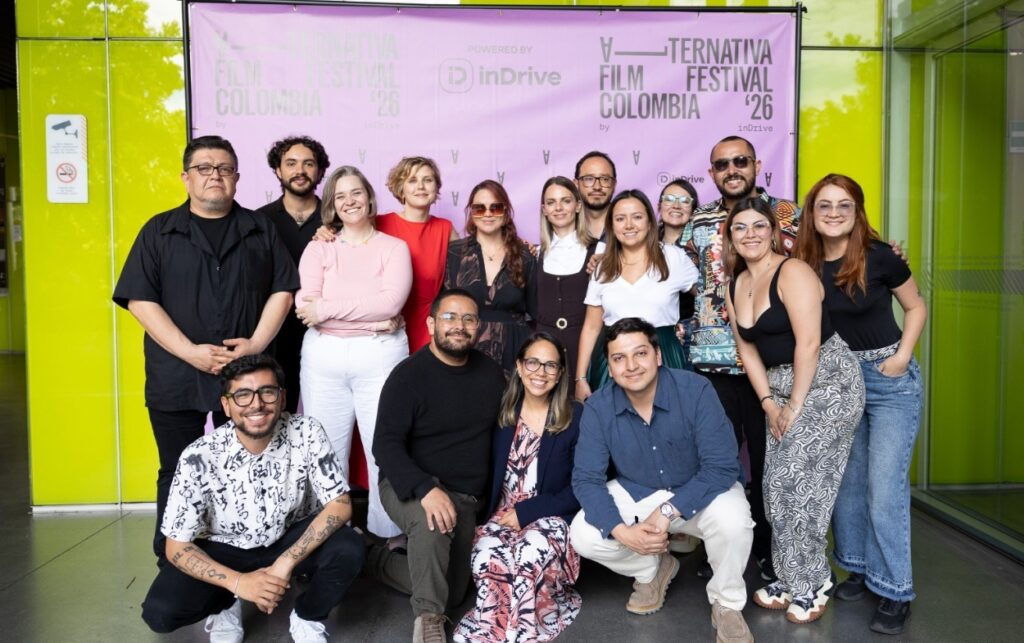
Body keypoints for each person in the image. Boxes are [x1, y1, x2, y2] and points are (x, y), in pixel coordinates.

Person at [113, 135, 298, 561]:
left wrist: (254, 346)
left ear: (236, 178)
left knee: (251, 468)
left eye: (224, 168)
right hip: (176, 375)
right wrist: (190, 353)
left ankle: (249, 555)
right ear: (186, 177)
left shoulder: (260, 228)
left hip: (247, 379)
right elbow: (140, 301)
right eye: (204, 168)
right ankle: (175, 559)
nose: (215, 175)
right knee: (177, 470)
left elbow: (283, 291)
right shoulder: (158, 231)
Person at [140, 354, 365, 643]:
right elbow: (176, 547)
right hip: (223, 547)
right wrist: (240, 584)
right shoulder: (199, 455)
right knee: (160, 614)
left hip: (287, 537)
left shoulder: (307, 432)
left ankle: (308, 615)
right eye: (243, 395)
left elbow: (340, 505)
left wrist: (284, 564)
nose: (256, 404)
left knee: (350, 547)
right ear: (226, 404)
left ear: (282, 398)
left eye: (267, 392)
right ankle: (225, 603)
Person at [795, 174, 927, 635]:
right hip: (837, 382)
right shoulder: (802, 262)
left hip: (888, 380)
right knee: (847, 485)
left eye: (844, 205)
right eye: (824, 205)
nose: (833, 213)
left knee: (883, 489)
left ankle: (895, 589)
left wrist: (903, 356)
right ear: (811, 213)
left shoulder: (880, 256)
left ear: (857, 211)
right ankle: (858, 569)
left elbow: (916, 307)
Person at [723, 197, 864, 624]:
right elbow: (746, 349)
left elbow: (809, 343)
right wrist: (768, 403)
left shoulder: (793, 271)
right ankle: (789, 576)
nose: (750, 235)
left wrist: (796, 404)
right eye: (739, 228)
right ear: (730, 237)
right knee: (775, 486)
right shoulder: (735, 283)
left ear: (773, 230)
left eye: (758, 226)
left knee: (801, 483)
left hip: (827, 381)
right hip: (780, 387)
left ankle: (814, 582)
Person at [570, 318, 755, 643]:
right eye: (618, 358)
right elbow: (586, 479)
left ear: (657, 355)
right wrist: (622, 532)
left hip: (699, 491)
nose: (630, 366)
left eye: (639, 353)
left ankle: (726, 604)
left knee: (734, 521)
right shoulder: (599, 406)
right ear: (610, 368)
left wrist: (670, 509)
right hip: (638, 490)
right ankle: (652, 569)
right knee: (583, 534)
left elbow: (722, 466)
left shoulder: (695, 390)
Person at [684, 135, 799, 580]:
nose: (732, 169)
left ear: (756, 164)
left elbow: (826, 253)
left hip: (771, 363)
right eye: (721, 164)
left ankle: (772, 552)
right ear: (711, 172)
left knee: (773, 463)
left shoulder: (787, 214)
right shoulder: (698, 221)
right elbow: (671, 274)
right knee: (716, 461)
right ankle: (719, 551)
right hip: (711, 365)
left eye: (740, 161)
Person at [369, 289, 507, 643]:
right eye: (449, 317)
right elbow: (384, 445)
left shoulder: (491, 374)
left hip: (464, 497)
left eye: (468, 319)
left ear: (478, 327)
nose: (458, 326)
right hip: (411, 484)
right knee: (432, 526)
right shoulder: (407, 376)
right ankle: (428, 621)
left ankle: (375, 562)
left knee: (456, 592)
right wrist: (425, 488)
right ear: (431, 323)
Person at [295, 165, 412, 539]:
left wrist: (329, 310)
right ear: (332, 204)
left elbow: (390, 303)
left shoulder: (394, 248)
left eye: (356, 193)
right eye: (340, 195)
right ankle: (333, 537)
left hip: (380, 355)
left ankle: (388, 536)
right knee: (326, 450)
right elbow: (305, 302)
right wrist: (367, 315)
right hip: (323, 358)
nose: (349, 201)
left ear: (370, 198)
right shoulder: (318, 248)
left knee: (385, 446)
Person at [455, 333, 583, 642]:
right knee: (488, 558)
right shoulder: (501, 414)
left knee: (529, 553)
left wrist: (527, 512)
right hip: (501, 514)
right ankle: (494, 630)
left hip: (552, 516)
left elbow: (582, 487)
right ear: (519, 366)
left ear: (561, 373)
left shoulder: (576, 417)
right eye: (533, 363)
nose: (541, 372)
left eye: (551, 365)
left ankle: (522, 632)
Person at [314, 156, 457, 352]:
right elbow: (346, 236)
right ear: (401, 188)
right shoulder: (378, 222)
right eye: (412, 181)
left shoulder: (446, 229)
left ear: (436, 187)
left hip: (427, 323)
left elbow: (465, 278)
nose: (421, 186)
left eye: (428, 180)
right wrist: (326, 230)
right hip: (380, 322)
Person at [575, 190, 697, 401]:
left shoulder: (673, 257)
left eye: (637, 217)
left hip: (664, 354)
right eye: (620, 219)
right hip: (613, 359)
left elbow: (710, 298)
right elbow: (591, 326)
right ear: (612, 225)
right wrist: (580, 378)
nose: (629, 225)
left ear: (650, 222)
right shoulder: (602, 267)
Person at [257, 136, 331, 413]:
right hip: (273, 336)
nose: (300, 170)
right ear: (278, 170)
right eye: (291, 163)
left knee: (325, 419)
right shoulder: (258, 222)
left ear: (320, 171)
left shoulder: (339, 219)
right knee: (274, 416)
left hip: (327, 333)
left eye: (308, 163)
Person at [446, 180, 538, 374]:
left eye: (495, 208)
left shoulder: (524, 256)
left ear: (505, 213)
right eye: (479, 208)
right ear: (471, 213)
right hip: (465, 348)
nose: (487, 214)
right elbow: (445, 308)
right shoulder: (454, 253)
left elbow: (537, 313)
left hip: (515, 350)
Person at [535, 177, 597, 382]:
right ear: (544, 210)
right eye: (551, 202)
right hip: (544, 353)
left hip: (585, 349)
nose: (558, 208)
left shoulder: (600, 251)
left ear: (578, 205)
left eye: (566, 201)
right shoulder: (535, 253)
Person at [574, 151, 618, 239]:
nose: (597, 187)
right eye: (589, 179)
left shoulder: (627, 227)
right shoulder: (565, 225)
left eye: (605, 179)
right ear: (576, 184)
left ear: (614, 185)